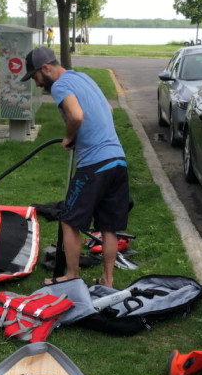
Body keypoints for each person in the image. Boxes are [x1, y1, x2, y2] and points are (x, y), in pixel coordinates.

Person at [21, 46, 129, 288]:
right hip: (118, 160)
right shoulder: (83, 77)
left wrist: (70, 137)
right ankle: (107, 280)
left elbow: (77, 115)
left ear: (46, 68)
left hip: (95, 164)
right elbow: (108, 110)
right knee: (109, 225)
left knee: (69, 220)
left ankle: (71, 275)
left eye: (36, 76)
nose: (37, 83)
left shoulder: (60, 85)